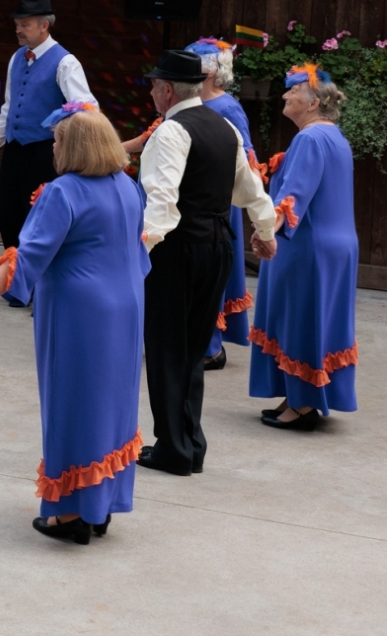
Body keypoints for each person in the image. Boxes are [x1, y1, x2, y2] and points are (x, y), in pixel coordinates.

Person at [0, 106, 151, 544]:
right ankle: (100, 506)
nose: (53, 149)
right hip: (127, 305)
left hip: (81, 311)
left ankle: (70, 513)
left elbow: (25, 256)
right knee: (113, 404)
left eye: (57, 141)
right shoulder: (128, 186)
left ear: (74, 147)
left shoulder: (63, 192)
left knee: (73, 402)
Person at [135, 49, 277, 476]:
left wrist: (138, 254)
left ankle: (174, 448)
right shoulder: (225, 126)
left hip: (178, 249)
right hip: (218, 247)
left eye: (153, 86)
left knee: (166, 348)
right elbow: (251, 188)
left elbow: (162, 201)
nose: (152, 92)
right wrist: (265, 232)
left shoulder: (170, 132)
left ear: (165, 90)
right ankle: (188, 441)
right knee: (192, 348)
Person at [249, 64, 359, 431]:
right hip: (336, 246)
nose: (284, 95)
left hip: (312, 247)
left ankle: (303, 404)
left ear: (312, 103)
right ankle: (298, 396)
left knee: (300, 318)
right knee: (318, 320)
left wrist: (267, 231)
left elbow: (295, 195)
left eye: (292, 91)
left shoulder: (310, 139)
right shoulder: (334, 136)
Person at [0, 0, 96, 304]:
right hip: (15, 150)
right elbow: (9, 109)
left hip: (45, 154)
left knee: (40, 220)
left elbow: (87, 109)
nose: (19, 30)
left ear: (44, 25)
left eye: (24, 25)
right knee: (11, 217)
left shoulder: (66, 62)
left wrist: (65, 141)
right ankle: (16, 284)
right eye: (17, 24)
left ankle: (43, 286)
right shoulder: (16, 59)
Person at [184, 38, 259, 369]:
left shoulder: (227, 107)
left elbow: (244, 158)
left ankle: (211, 347)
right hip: (194, 200)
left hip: (217, 204)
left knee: (209, 269)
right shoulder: (194, 103)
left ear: (212, 71)